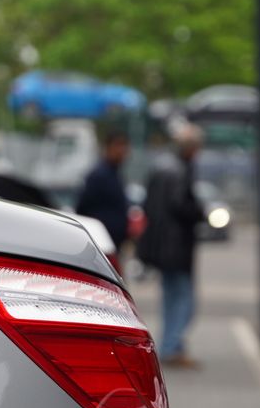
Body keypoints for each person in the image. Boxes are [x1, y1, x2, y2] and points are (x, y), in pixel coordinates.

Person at [137, 122, 205, 367]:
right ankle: (172, 345)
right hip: (177, 245)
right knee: (184, 298)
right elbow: (181, 206)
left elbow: (148, 206)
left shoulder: (160, 167)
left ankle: (168, 345)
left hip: (159, 245)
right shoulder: (180, 171)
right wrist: (199, 211)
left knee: (169, 296)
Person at [75, 127, 132, 259]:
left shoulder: (116, 174)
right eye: (118, 145)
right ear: (108, 147)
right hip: (100, 247)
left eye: (125, 146)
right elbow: (83, 208)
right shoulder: (98, 175)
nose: (122, 150)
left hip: (113, 245)